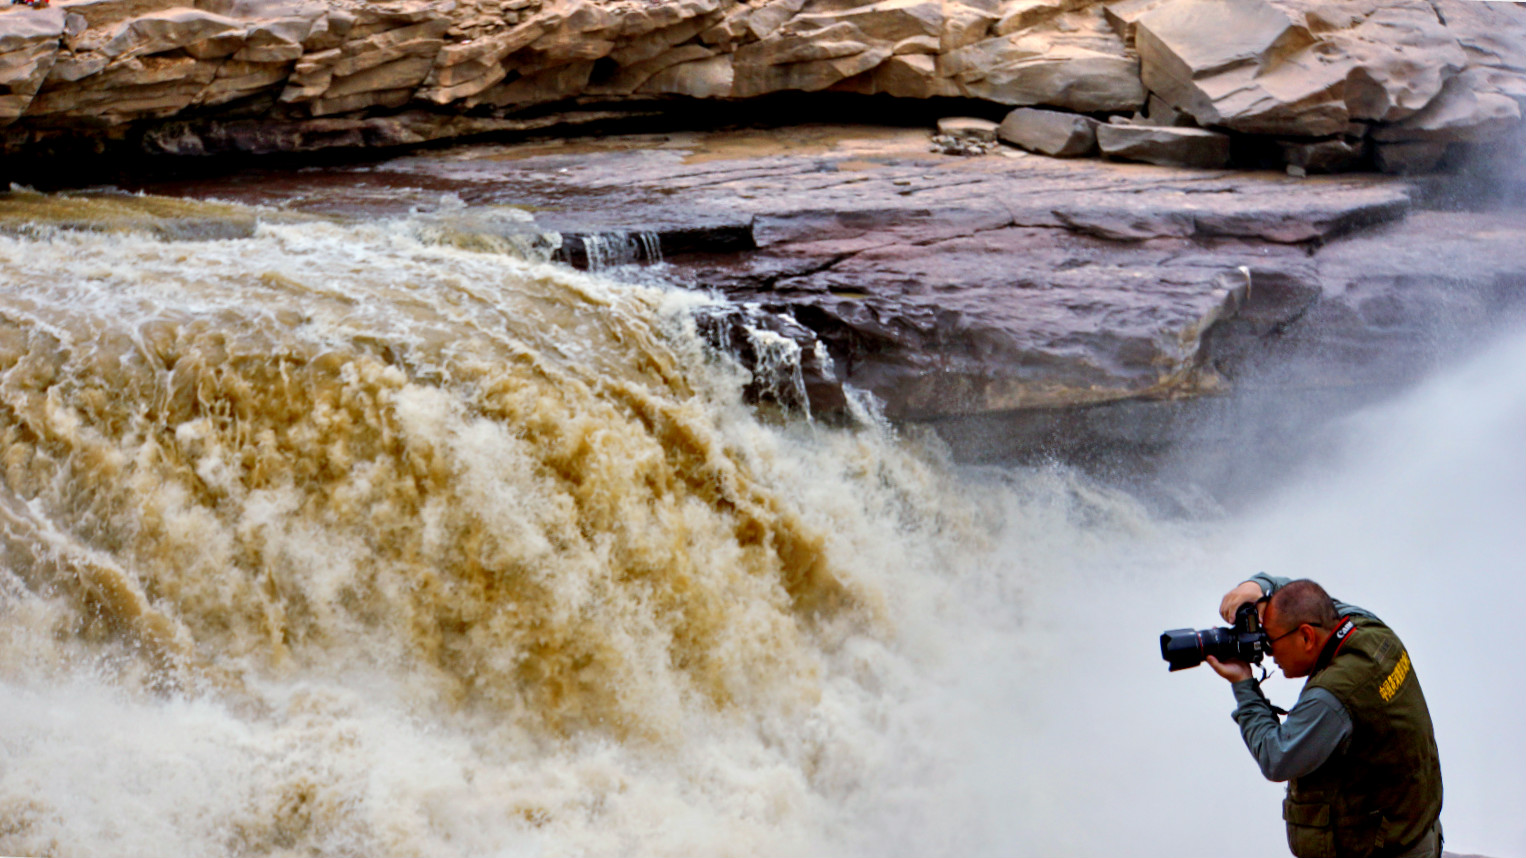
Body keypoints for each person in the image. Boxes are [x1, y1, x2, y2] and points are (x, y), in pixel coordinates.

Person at [1208, 574, 1443, 858]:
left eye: (1270, 641)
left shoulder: (1333, 696)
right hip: (1414, 832)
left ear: (1306, 636)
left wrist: (1243, 683)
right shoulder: (1367, 628)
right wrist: (1258, 587)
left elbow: (1277, 757)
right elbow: (1306, 602)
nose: (1268, 654)